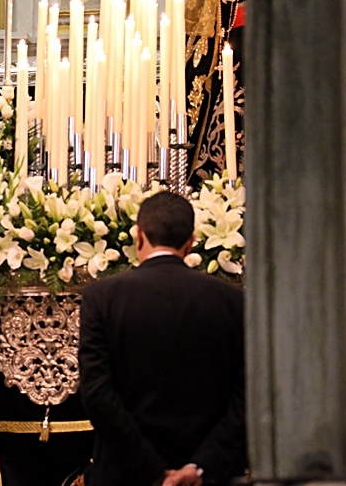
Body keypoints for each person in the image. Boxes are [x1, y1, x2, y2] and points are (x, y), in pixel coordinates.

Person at [79, 191, 246, 486]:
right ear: (191, 241)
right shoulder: (232, 300)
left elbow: (97, 395)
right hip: (209, 478)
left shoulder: (102, 297)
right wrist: (199, 467)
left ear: (139, 236)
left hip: (126, 475)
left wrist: (154, 470)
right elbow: (246, 396)